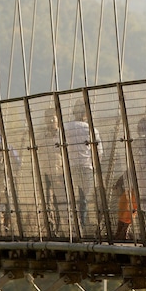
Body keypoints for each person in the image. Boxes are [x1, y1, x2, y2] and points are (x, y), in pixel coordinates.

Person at [62, 100, 102, 235]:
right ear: (86, 114)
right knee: (84, 197)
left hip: (71, 167)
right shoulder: (91, 129)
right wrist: (94, 164)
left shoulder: (65, 128)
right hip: (86, 166)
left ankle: (72, 224)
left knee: (72, 196)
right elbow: (99, 151)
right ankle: (83, 225)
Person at [37, 108, 67, 237]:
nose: (50, 121)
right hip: (46, 174)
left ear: (57, 119)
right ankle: (52, 231)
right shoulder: (40, 138)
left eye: (52, 118)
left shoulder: (63, 136)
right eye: (47, 118)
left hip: (60, 174)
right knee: (48, 204)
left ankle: (66, 231)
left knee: (61, 203)